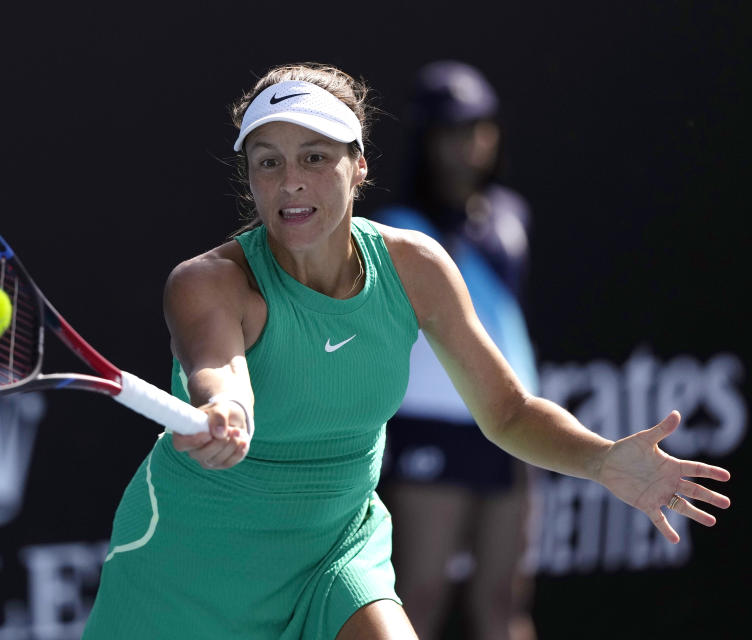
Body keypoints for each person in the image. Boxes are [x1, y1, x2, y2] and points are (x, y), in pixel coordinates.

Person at [81, 62, 730, 640]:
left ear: (358, 164)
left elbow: (505, 413)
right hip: (192, 569)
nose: (289, 182)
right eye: (267, 161)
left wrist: (602, 461)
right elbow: (219, 370)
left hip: (334, 555)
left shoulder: (414, 266)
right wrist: (226, 408)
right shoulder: (210, 281)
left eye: (314, 157)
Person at [373, 61, 539, 640]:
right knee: (417, 595)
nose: (465, 148)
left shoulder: (512, 218)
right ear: (426, 142)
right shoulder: (394, 229)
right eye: (449, 133)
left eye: (476, 130)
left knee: (503, 602)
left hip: (511, 426)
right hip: (430, 430)